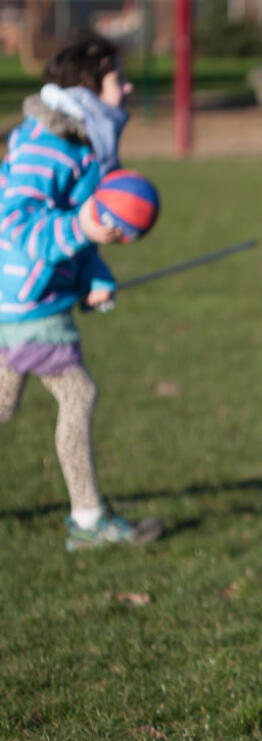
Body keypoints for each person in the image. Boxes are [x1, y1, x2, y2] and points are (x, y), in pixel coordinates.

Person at [0, 34, 163, 550]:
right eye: (118, 76)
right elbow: (17, 227)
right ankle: (88, 520)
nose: (129, 84)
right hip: (28, 302)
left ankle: (88, 518)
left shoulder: (78, 142)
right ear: (86, 88)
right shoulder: (47, 146)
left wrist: (94, 277)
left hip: (28, 298)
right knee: (78, 393)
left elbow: (76, 229)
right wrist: (84, 228)